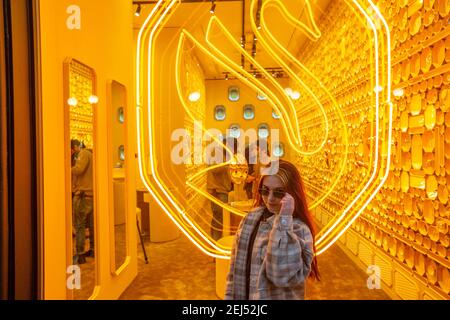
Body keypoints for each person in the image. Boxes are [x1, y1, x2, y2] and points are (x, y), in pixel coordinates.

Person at [225, 159, 320, 300]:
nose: (269, 199)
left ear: (291, 194)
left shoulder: (298, 229)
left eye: (278, 193)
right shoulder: (250, 219)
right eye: (265, 190)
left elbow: (280, 274)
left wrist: (284, 220)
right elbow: (234, 271)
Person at [206, 137, 237, 241]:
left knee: (220, 218)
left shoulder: (224, 155)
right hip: (217, 191)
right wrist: (228, 163)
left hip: (222, 190)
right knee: (218, 218)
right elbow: (214, 169)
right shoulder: (217, 153)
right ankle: (215, 242)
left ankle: (217, 240)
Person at [71, 139, 94, 264]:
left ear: (76, 147)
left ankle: (80, 254)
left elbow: (78, 169)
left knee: (79, 225)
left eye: (72, 150)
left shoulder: (83, 153)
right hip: (91, 195)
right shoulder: (91, 154)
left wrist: (67, 168)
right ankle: (93, 249)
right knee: (91, 225)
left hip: (83, 195)